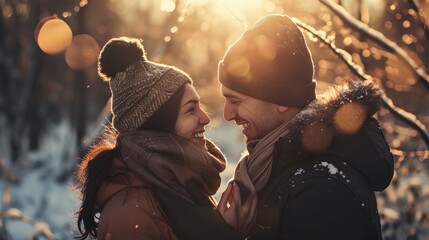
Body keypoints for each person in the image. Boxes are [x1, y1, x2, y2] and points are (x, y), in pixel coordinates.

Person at [218, 14, 394, 239]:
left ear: (281, 100)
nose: (227, 114)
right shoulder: (282, 165)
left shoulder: (321, 189)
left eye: (236, 101)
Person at [75, 37, 242, 240]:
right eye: (190, 110)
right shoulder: (129, 215)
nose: (205, 118)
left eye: (200, 106)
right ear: (159, 124)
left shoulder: (178, 182)